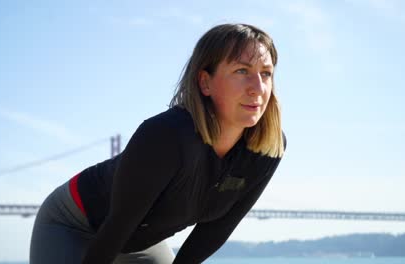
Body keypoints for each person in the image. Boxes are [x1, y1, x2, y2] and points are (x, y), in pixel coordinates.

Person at [30, 23, 286, 264]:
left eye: (266, 73)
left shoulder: (268, 148)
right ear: (205, 82)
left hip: (141, 241)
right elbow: (117, 226)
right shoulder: (167, 135)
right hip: (75, 224)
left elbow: (216, 230)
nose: (258, 88)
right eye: (242, 71)